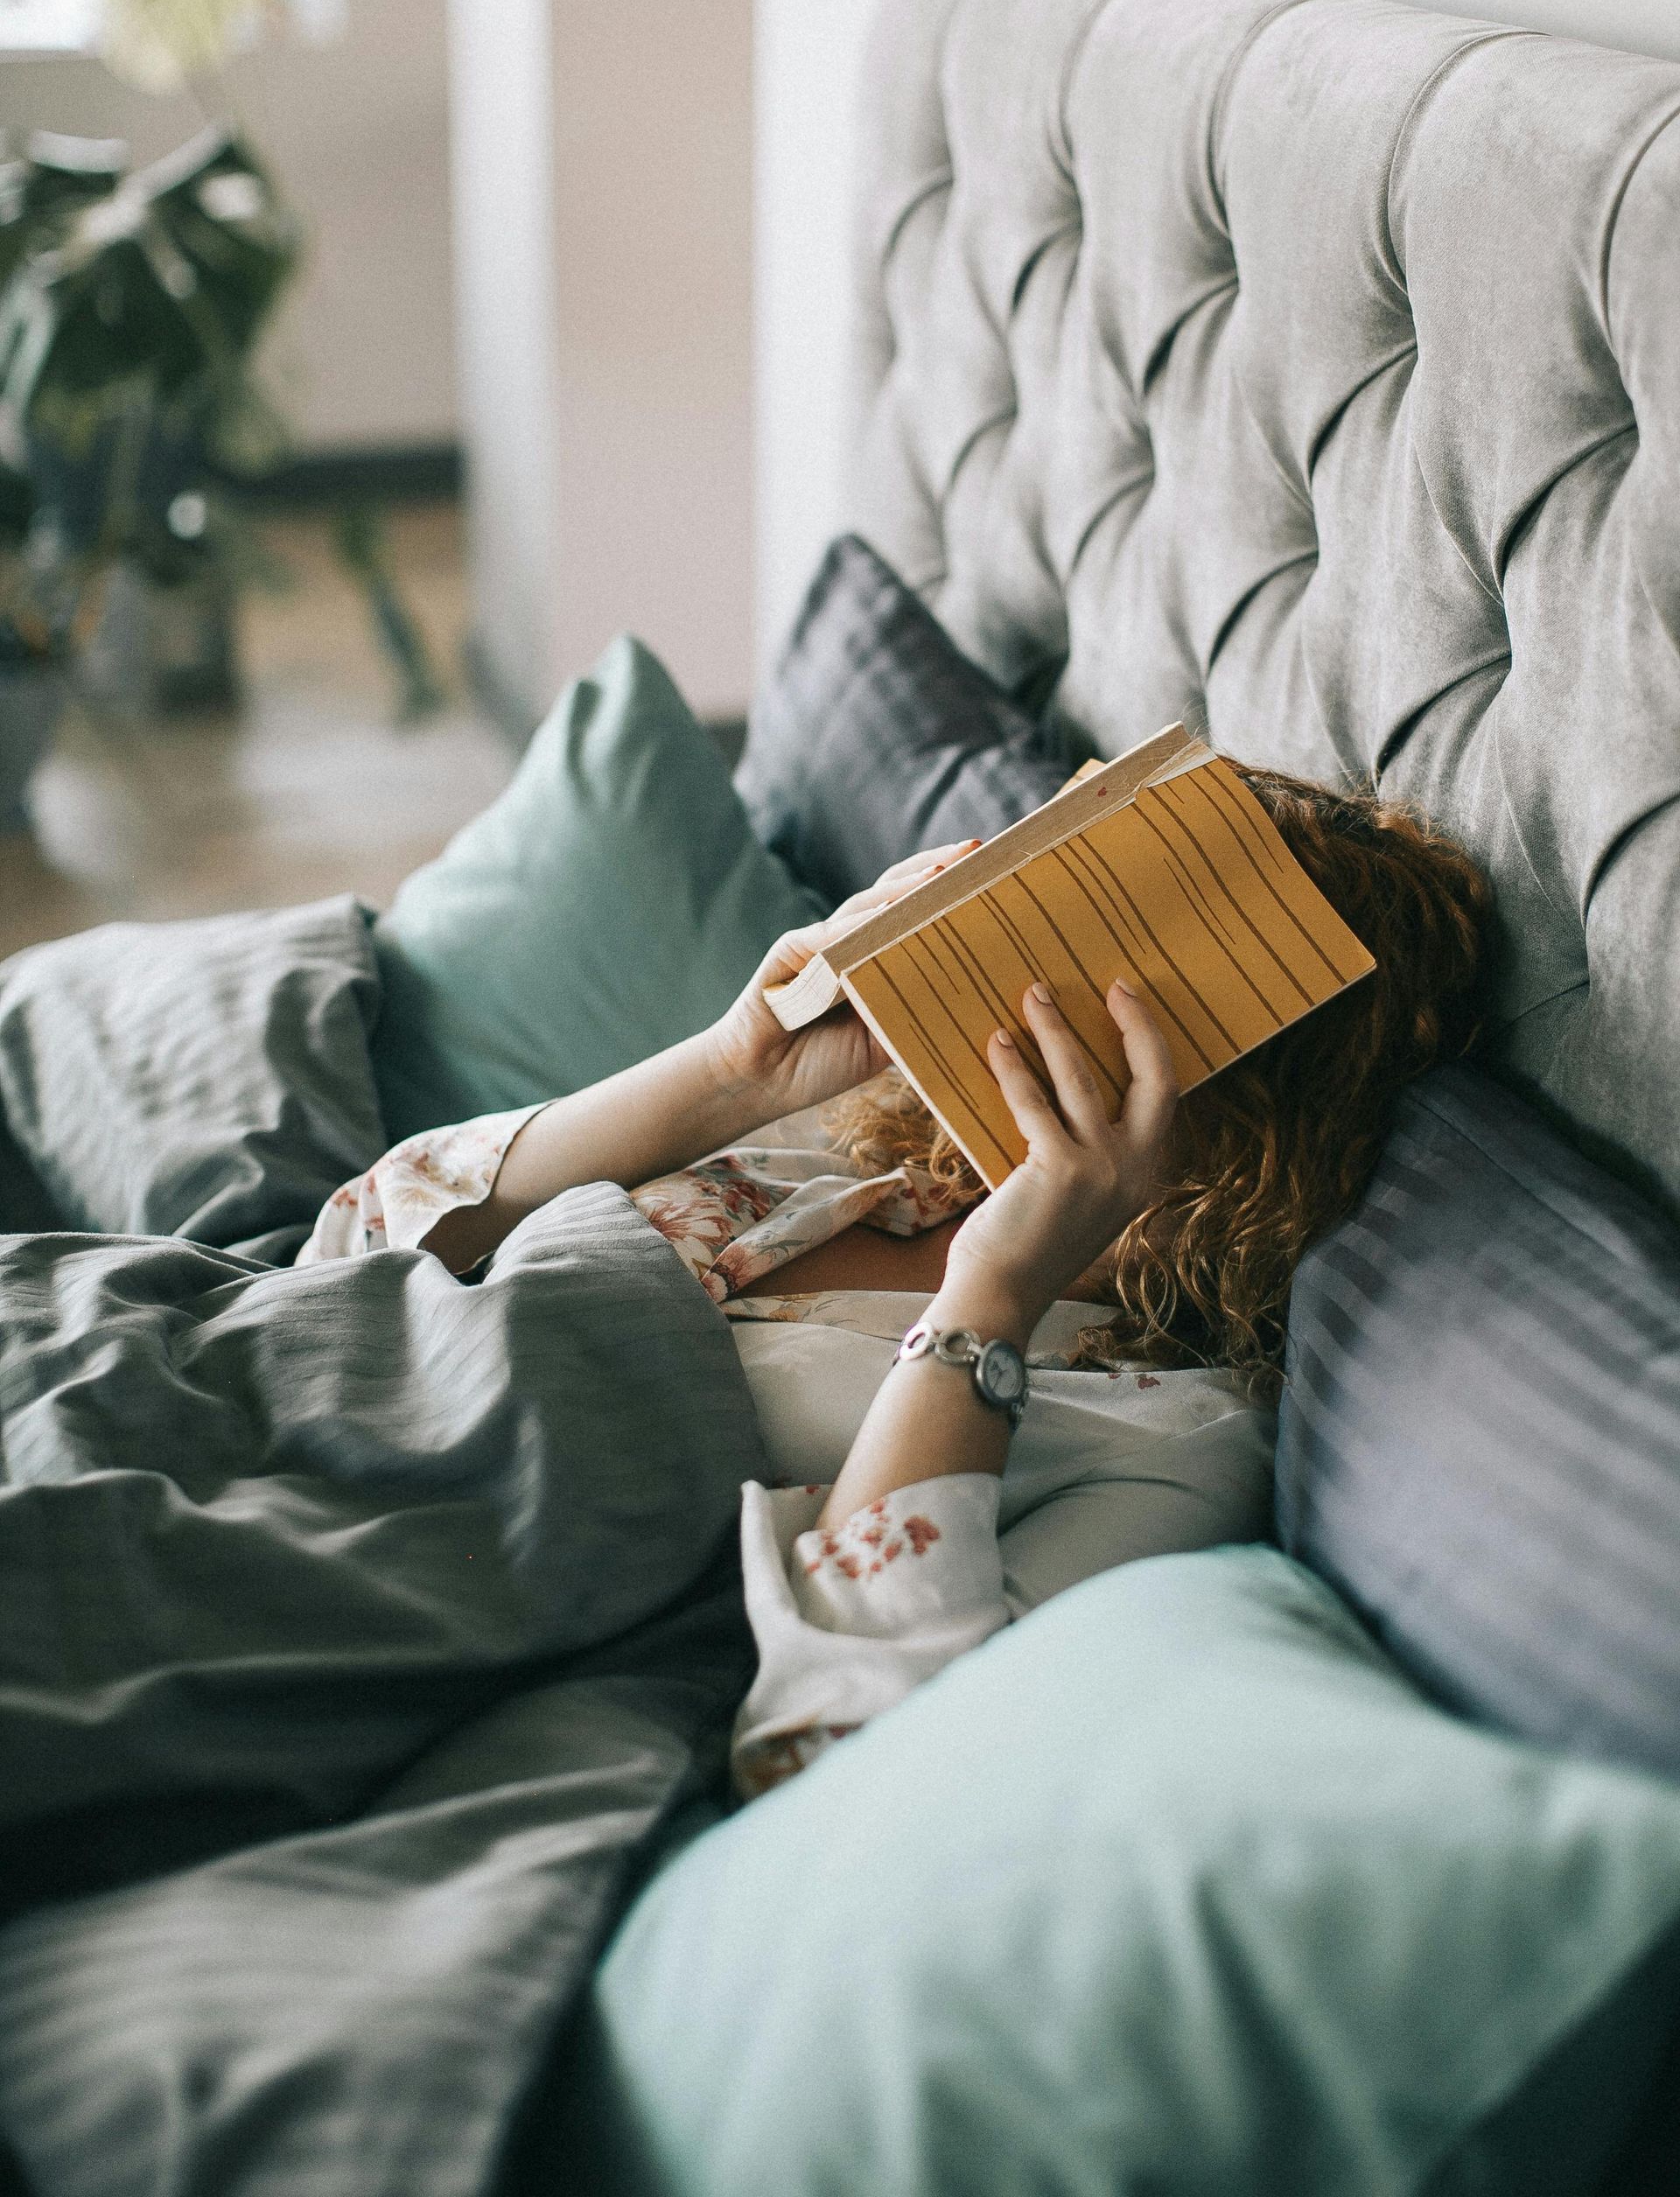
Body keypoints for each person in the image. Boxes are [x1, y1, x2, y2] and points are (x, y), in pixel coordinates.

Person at [301, 766, 1489, 1796]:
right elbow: (366, 1233)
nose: (1031, 992)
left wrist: (993, 1292)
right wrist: (730, 1074)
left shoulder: (1173, 1442)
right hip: (274, 1383)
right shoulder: (873, 1147)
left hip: (378, 1578)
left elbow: (837, 1743)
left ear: (1258, 1108)